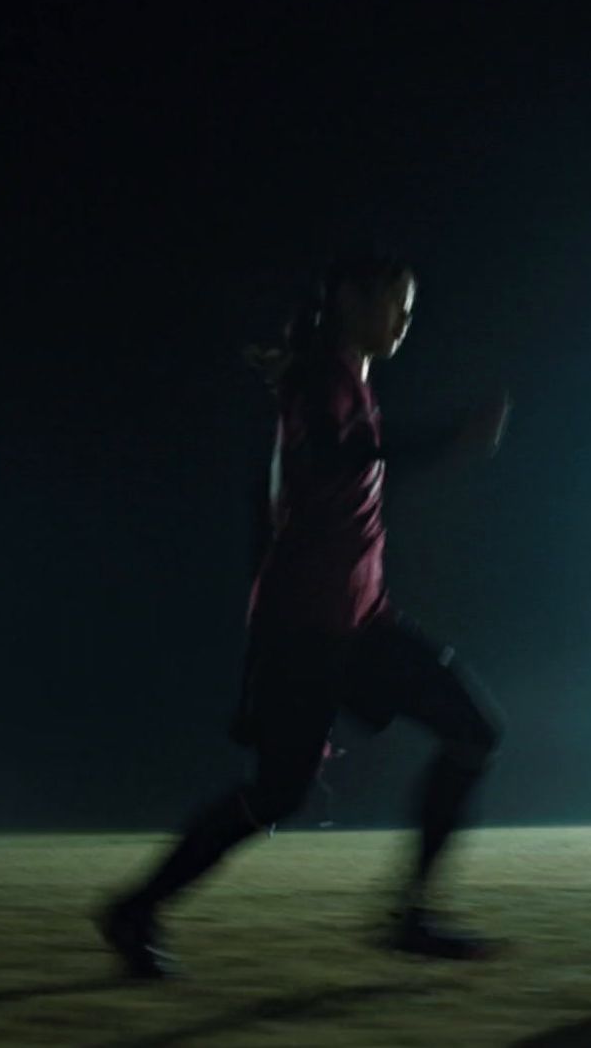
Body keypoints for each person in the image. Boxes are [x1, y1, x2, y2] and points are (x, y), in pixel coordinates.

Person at [99, 254, 510, 976]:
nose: (405, 323)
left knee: (473, 730)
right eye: (397, 305)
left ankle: (409, 914)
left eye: (411, 311)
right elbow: (332, 453)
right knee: (277, 793)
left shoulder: (341, 375)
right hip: (305, 628)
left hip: (360, 622)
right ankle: (135, 908)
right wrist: (450, 437)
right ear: (350, 299)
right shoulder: (320, 379)